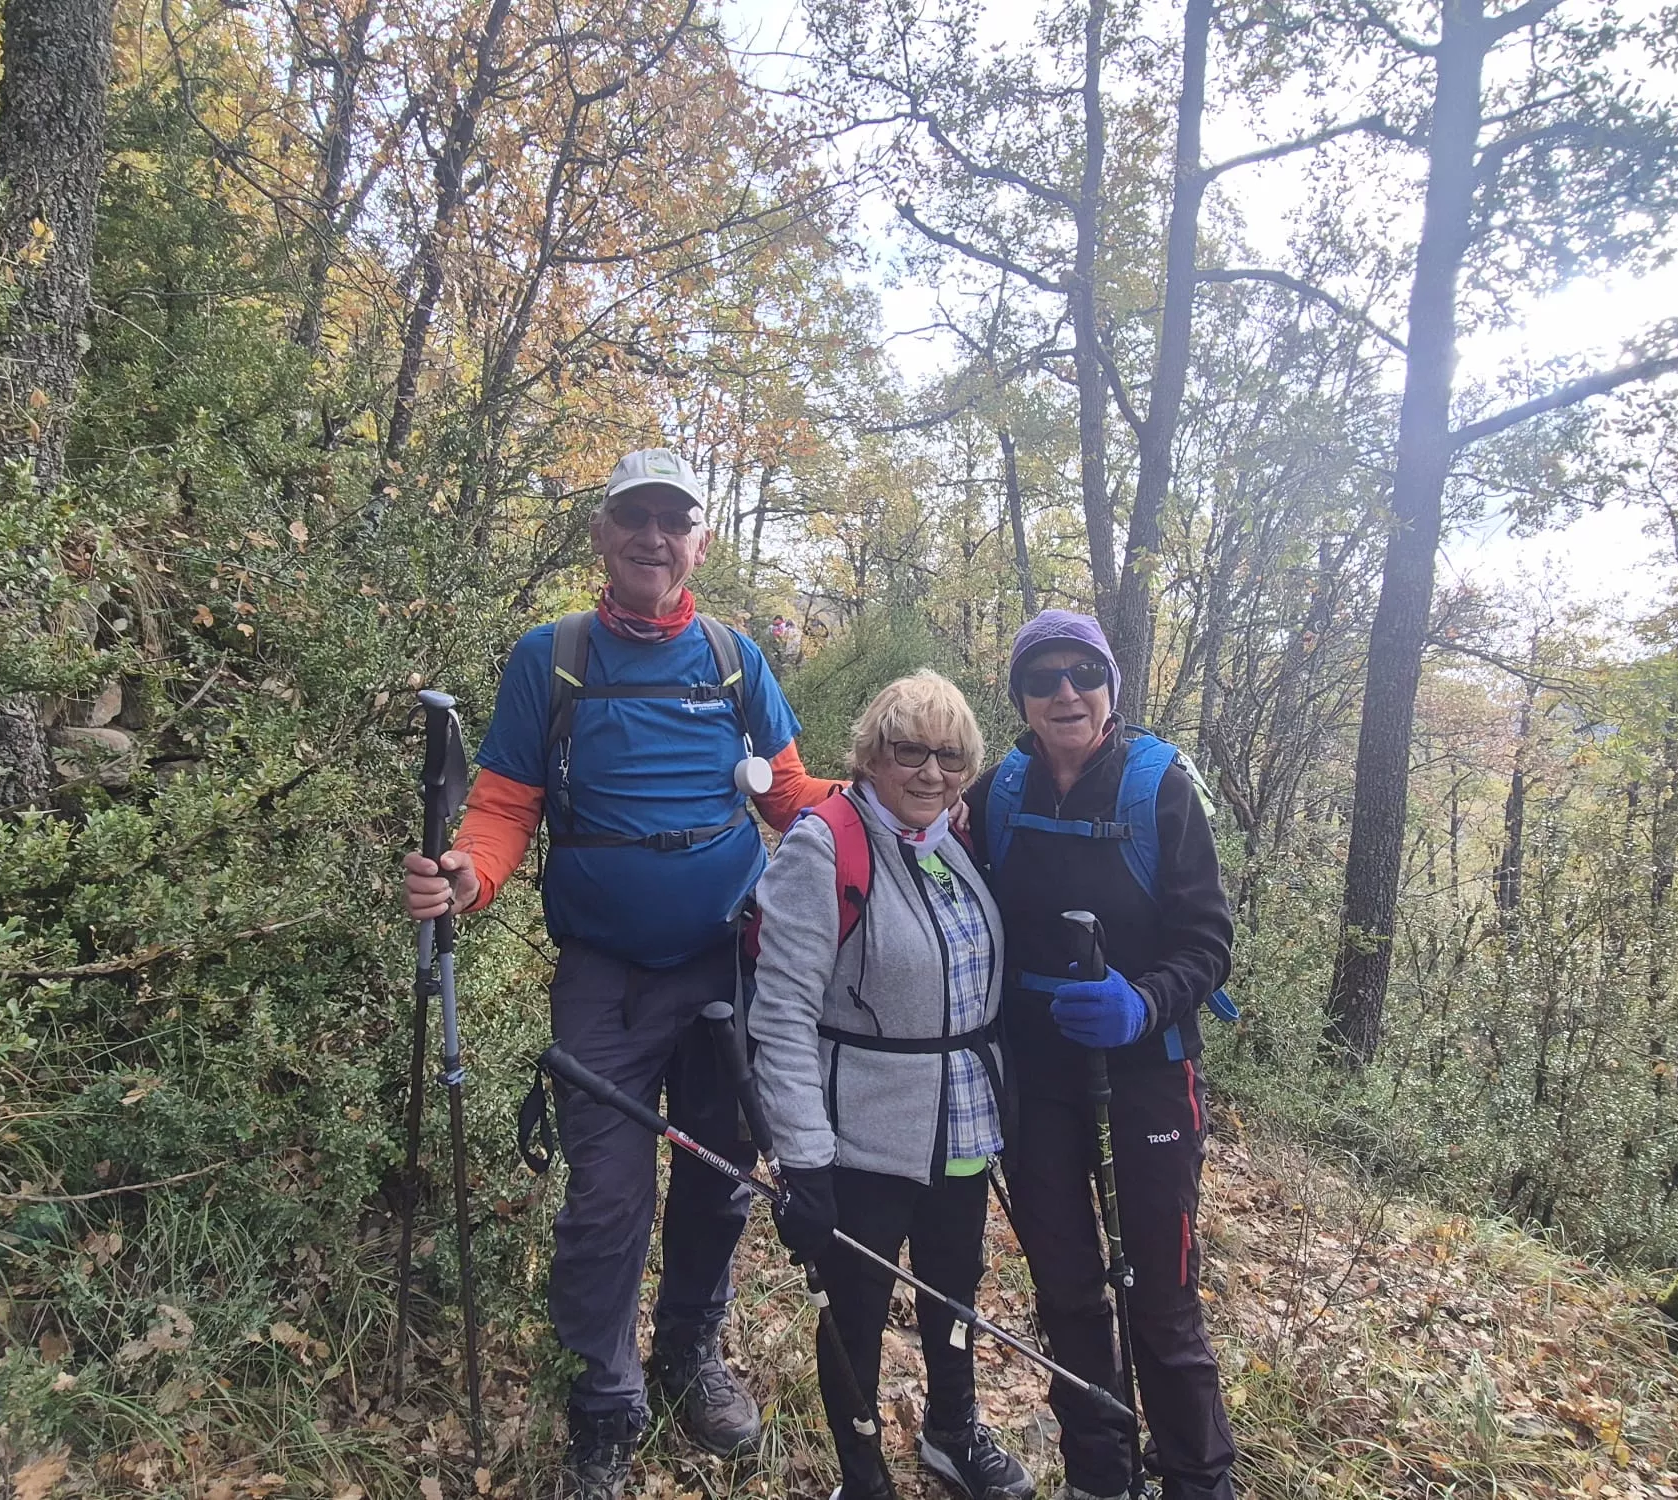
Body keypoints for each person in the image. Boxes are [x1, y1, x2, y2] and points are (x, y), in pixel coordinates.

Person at [402, 447, 840, 1500]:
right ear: (600, 535)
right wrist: (470, 875)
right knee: (604, 1201)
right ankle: (602, 1401)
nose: (653, 537)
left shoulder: (735, 659)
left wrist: (907, 807)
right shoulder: (551, 658)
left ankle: (687, 1356)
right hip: (603, 976)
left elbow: (788, 798)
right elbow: (504, 805)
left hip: (725, 969)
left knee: (718, 1183)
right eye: (633, 518)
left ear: (699, 540)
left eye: (671, 520)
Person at [963, 610, 1238, 1500]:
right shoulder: (998, 793)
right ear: (1022, 699)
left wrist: (1142, 1002)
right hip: (1037, 1080)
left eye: (1082, 673)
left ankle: (1200, 1481)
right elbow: (908, 827)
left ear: (1111, 686)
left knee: (1160, 1302)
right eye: (1042, 679)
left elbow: (1207, 942)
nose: (1065, 692)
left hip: (1150, 1073)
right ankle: (1100, 1478)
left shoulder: (1159, 789)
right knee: (1072, 1295)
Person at [750, 671, 1034, 1500]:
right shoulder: (823, 844)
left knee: (953, 1286)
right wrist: (802, 1158)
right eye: (909, 751)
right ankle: (861, 1474)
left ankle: (952, 1431)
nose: (930, 772)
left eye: (950, 757)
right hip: (860, 1134)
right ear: (873, 754)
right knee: (858, 1313)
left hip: (960, 1123)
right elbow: (782, 1015)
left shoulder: (950, 841)